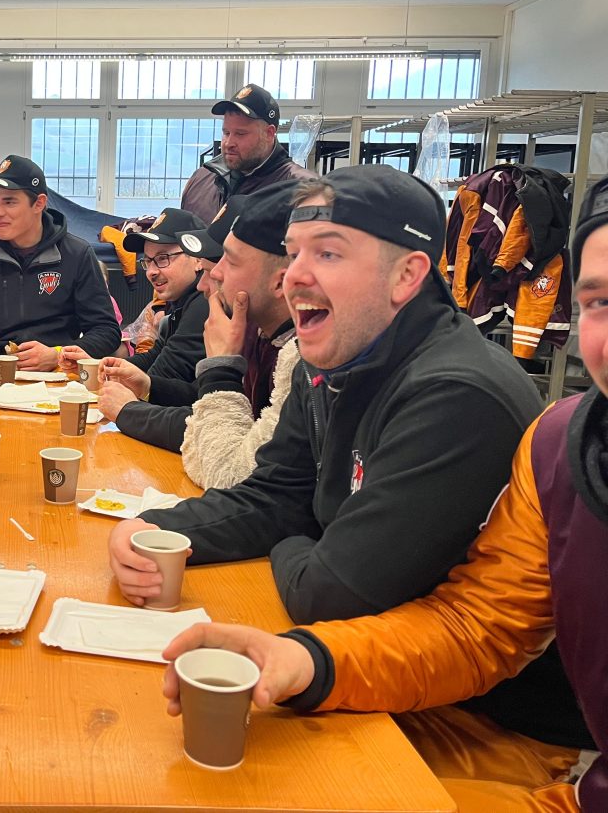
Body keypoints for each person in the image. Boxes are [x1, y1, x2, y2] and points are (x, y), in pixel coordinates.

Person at [161, 176, 608, 811]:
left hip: (510, 731)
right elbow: (476, 627)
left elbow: (330, 583)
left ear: (407, 277)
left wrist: (301, 534)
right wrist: (308, 660)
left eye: (328, 252)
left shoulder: (459, 393)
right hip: (424, 685)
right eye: (599, 302)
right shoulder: (563, 444)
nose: (295, 275)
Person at [95, 182, 297, 457]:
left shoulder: (297, 358)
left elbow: (236, 452)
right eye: (148, 261)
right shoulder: (259, 334)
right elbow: (204, 403)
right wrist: (148, 387)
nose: (205, 284)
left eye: (228, 263)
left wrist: (129, 410)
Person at [0, 154, 122, 372]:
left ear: (39, 203)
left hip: (58, 375)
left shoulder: (77, 254)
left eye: (9, 202)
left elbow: (106, 331)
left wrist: (58, 355)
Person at [60, 207, 207, 383]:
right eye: (148, 261)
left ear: (198, 259)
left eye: (163, 258)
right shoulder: (180, 301)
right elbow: (153, 358)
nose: (151, 272)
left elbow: (162, 374)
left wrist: (108, 375)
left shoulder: (204, 304)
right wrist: (96, 366)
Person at [179, 83, 313, 224]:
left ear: (269, 133)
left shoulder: (303, 189)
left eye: (240, 134)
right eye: (226, 133)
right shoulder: (200, 179)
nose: (228, 143)